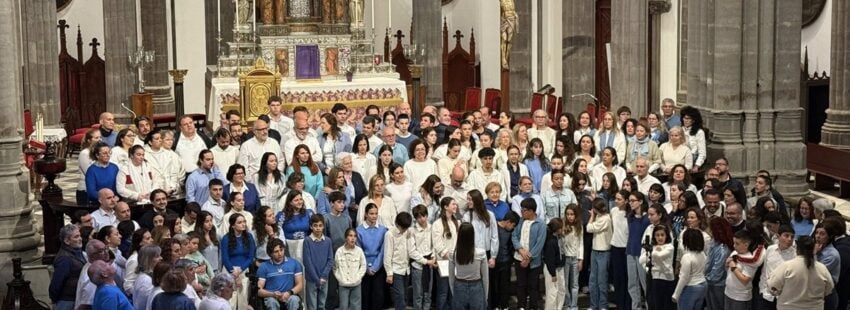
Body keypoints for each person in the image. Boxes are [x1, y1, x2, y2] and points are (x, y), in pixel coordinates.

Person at [766, 236, 834, 310]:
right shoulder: (822, 268)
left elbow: (772, 287)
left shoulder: (787, 266)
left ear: (797, 249)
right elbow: (829, 289)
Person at [511, 197, 546, 310]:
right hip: (519, 258)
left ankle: (533, 307)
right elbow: (514, 236)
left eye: (524, 210)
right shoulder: (521, 221)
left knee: (533, 286)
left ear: (531, 211)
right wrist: (520, 250)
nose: (522, 212)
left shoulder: (540, 224)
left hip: (533, 262)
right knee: (521, 284)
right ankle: (521, 306)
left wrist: (528, 258)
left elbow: (539, 244)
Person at [356, 203, 389, 310]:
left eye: (376, 214)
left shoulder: (383, 230)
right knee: (365, 296)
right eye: (371, 214)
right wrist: (366, 268)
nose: (374, 216)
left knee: (378, 296)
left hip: (378, 267)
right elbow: (359, 250)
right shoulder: (359, 230)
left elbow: (383, 250)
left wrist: (375, 267)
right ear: (365, 214)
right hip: (363, 267)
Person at [449, 222, 488, 309]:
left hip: (459, 286)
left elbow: (451, 277)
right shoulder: (481, 253)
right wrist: (485, 296)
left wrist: (453, 293)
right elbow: (485, 278)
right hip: (476, 287)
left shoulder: (453, 253)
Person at [220, 213, 256, 309]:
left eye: (244, 221)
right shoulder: (226, 238)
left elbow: (250, 257)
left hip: (243, 270)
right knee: (230, 301)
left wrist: (240, 270)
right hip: (229, 271)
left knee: (243, 301)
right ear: (232, 225)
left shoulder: (249, 237)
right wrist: (234, 273)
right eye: (240, 222)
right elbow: (225, 258)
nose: (243, 224)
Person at [758, 224, 797, 310]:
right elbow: (765, 270)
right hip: (766, 294)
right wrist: (762, 289)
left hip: (784, 298)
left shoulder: (795, 255)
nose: (789, 239)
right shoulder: (770, 249)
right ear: (778, 236)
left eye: (792, 237)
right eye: (786, 235)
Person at [586, 197, 614, 310]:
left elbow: (589, 228)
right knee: (593, 281)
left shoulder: (606, 219)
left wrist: (592, 216)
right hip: (595, 251)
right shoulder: (599, 216)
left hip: (604, 252)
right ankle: (594, 305)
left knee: (602, 281)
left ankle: (603, 305)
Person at [49, 224, 85, 310]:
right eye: (76, 237)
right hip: (67, 300)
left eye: (80, 236)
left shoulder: (77, 251)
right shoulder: (64, 258)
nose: (80, 239)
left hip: (77, 297)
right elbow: (56, 282)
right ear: (67, 241)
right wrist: (54, 299)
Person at [408, 205, 436, 310]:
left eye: (424, 216)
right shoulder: (412, 231)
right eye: (419, 217)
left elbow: (435, 244)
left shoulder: (432, 227)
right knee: (418, 294)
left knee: (428, 293)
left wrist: (433, 257)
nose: (422, 219)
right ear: (415, 218)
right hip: (418, 265)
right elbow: (412, 251)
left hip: (430, 263)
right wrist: (425, 261)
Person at [673, 229, 707, 310]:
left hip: (690, 287)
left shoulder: (687, 257)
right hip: (703, 286)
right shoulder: (702, 254)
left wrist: (676, 294)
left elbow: (684, 278)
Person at [384, 212, 412, 310]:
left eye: (406, 228)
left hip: (406, 270)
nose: (404, 230)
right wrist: (389, 273)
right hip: (395, 270)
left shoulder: (407, 232)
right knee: (399, 297)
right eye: (403, 228)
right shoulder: (389, 234)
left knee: (405, 297)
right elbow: (387, 255)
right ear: (397, 223)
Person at [334, 228, 367, 310]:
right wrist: (340, 279)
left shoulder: (359, 251)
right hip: (343, 284)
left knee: (356, 307)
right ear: (346, 237)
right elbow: (335, 267)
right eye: (350, 236)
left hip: (356, 284)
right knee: (343, 306)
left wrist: (358, 277)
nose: (353, 238)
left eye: (355, 236)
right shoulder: (339, 251)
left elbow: (363, 266)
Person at [145, 129, 185, 196]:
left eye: (171, 140)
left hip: (171, 190)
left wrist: (173, 187)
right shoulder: (145, 153)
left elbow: (178, 174)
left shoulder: (172, 155)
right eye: (167, 140)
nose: (170, 142)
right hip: (154, 190)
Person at [725, 230, 757, 310]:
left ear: (746, 245)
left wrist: (733, 267)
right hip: (728, 292)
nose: (734, 246)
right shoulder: (734, 252)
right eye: (734, 242)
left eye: (737, 243)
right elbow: (728, 271)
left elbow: (745, 280)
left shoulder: (750, 259)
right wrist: (726, 264)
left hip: (740, 298)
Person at [543, 218, 566, 310]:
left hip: (560, 268)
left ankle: (558, 308)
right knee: (552, 292)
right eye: (561, 227)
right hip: (552, 270)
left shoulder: (559, 238)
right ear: (558, 229)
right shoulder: (550, 241)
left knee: (561, 290)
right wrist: (553, 273)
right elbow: (549, 259)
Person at [132, 245, 163, 310]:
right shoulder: (146, 280)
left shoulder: (148, 276)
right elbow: (141, 305)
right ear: (148, 259)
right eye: (157, 256)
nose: (161, 258)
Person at [77, 128, 103, 204]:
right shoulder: (84, 153)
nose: (100, 140)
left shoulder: (100, 153)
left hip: (99, 189)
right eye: (96, 138)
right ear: (89, 140)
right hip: (86, 190)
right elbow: (89, 173)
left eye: (100, 137)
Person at [680, 106, 706, 173]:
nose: (685, 120)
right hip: (680, 157)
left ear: (694, 120)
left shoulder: (699, 132)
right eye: (684, 118)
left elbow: (702, 153)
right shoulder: (680, 129)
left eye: (688, 118)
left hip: (693, 159)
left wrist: (696, 166)